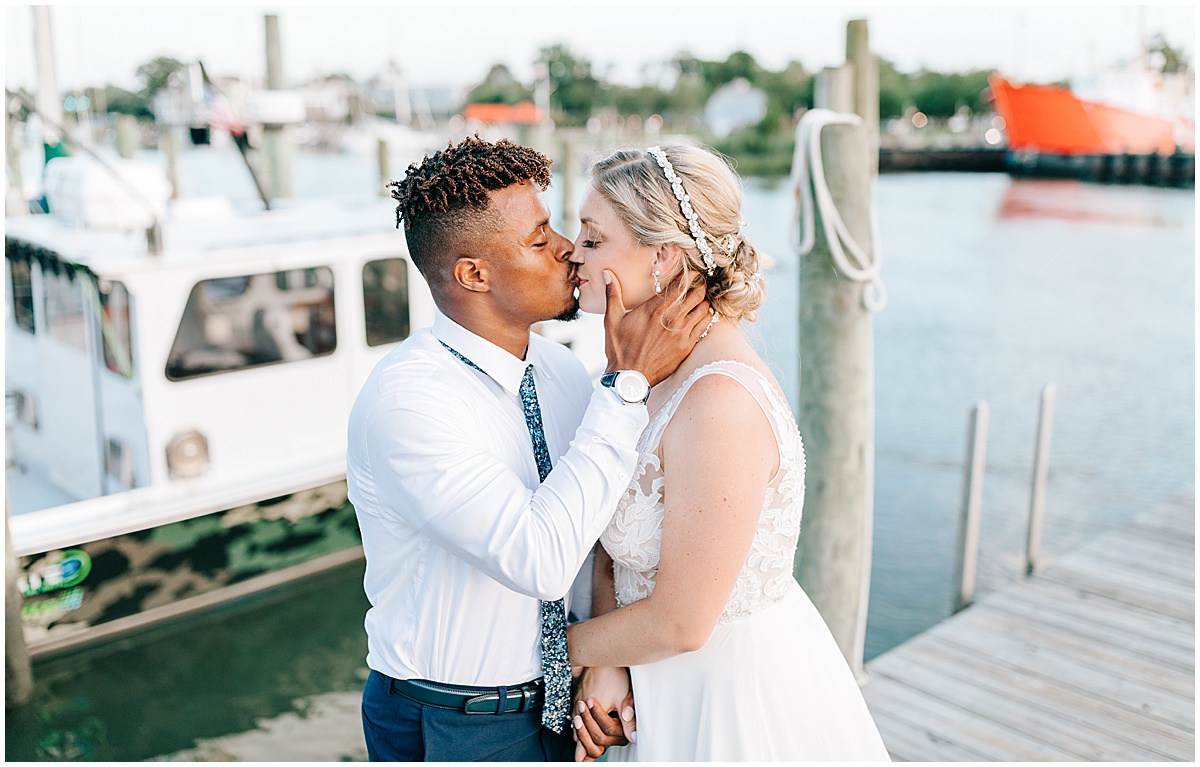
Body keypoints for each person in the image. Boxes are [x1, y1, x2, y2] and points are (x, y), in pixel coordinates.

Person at [346, 136, 711, 762]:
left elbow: (600, 530)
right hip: (454, 718)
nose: (569, 251)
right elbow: (538, 558)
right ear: (473, 274)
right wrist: (626, 386)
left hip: (564, 695)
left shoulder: (564, 375)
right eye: (540, 239)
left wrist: (606, 659)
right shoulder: (409, 404)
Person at [563, 144, 892, 762]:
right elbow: (615, 542)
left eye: (592, 237)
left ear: (662, 256)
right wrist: (610, 664)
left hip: (727, 693)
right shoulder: (644, 370)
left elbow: (683, 622)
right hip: (650, 679)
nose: (572, 254)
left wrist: (542, 654)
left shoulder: (719, 400)